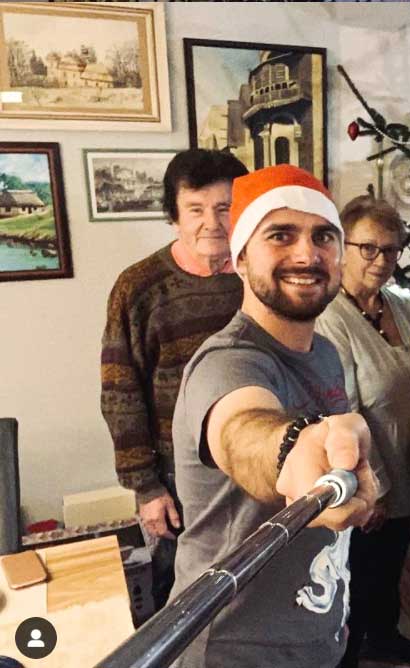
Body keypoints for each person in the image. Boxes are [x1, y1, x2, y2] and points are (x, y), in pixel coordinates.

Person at [169, 164, 378, 668]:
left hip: (313, 635)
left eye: (323, 236)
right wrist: (293, 451)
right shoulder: (225, 361)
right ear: (241, 258)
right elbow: (242, 429)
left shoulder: (324, 352)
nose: (307, 254)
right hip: (232, 647)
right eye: (281, 235)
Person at [100, 149, 248, 609]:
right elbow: (120, 391)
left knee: (254, 595)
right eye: (195, 209)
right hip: (178, 480)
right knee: (182, 600)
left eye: (224, 208)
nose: (212, 223)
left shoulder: (260, 277)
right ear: (174, 215)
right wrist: (146, 487)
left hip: (257, 470)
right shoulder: (139, 287)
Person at [314, 195, 410, 667]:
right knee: (358, 574)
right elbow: (344, 406)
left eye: (391, 249)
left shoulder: (403, 303)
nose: (381, 260)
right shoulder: (329, 316)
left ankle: (383, 637)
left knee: (390, 567)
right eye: (369, 248)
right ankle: (349, 654)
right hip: (368, 472)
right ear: (343, 248)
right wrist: (372, 485)